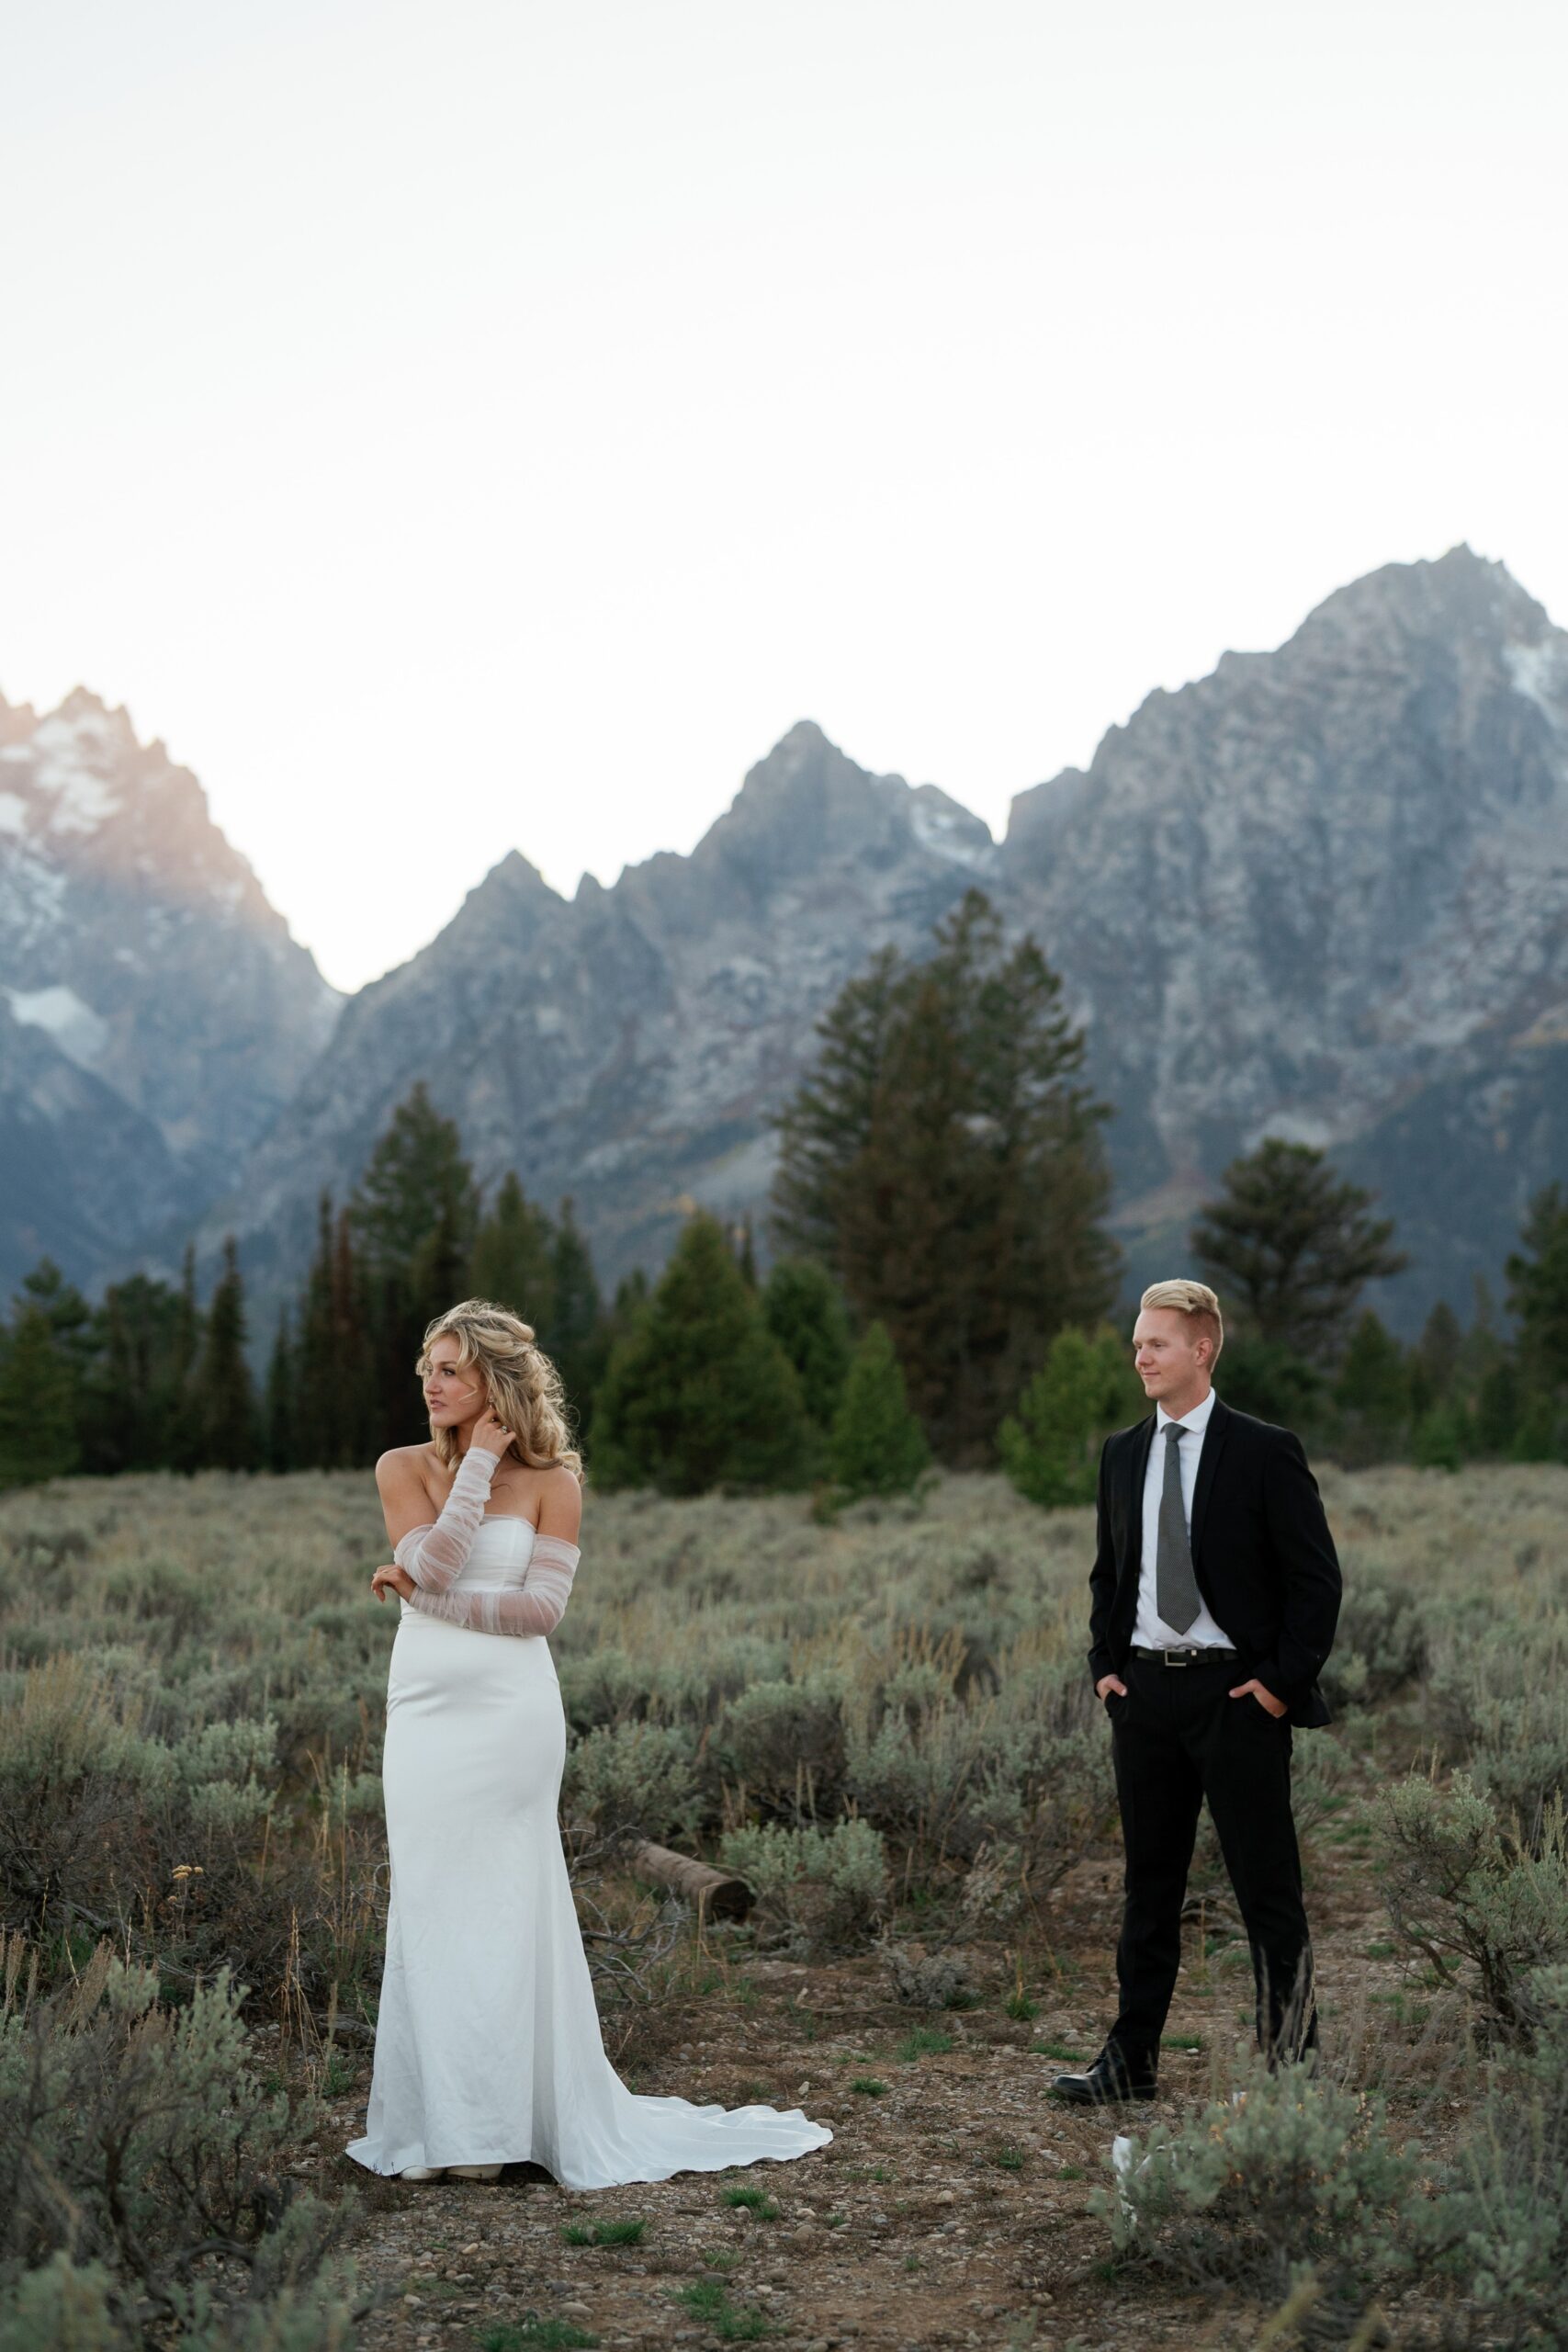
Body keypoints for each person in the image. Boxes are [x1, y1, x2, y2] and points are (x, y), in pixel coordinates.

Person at [345, 1296, 832, 2186]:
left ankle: (504, 2125)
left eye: (449, 1369)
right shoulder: (401, 1467)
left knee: (505, 1903)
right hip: (423, 1711)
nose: (430, 1384)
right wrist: (468, 1474)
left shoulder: (553, 1482)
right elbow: (442, 1556)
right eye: (425, 1370)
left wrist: (423, 1581)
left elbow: (536, 1610)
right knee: (431, 1898)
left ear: (493, 1381)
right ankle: (444, 2122)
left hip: (511, 1719)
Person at [1052, 1279, 1342, 2107]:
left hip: (1236, 1702)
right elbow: (1110, 1572)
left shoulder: (1263, 1450)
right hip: (1143, 1699)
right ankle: (1130, 2062)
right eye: (1136, 1341)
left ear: (1202, 1349)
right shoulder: (1121, 1452)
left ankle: (1293, 2078)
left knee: (1267, 1894)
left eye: (1156, 1342)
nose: (1139, 1354)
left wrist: (1279, 1688)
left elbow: (1315, 1582)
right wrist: (1105, 1666)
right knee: (1149, 1888)